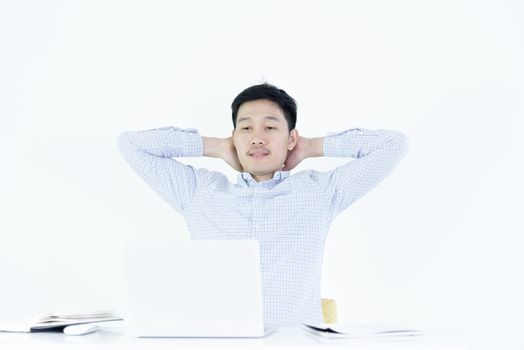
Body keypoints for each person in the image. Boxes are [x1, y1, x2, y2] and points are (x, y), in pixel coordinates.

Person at [117, 82, 409, 327]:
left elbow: (393, 145)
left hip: (294, 343)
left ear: (290, 137)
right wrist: (216, 146)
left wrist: (310, 147)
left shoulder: (319, 193)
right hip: (218, 340)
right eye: (245, 129)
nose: (257, 138)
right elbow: (130, 144)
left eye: (270, 127)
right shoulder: (199, 191)